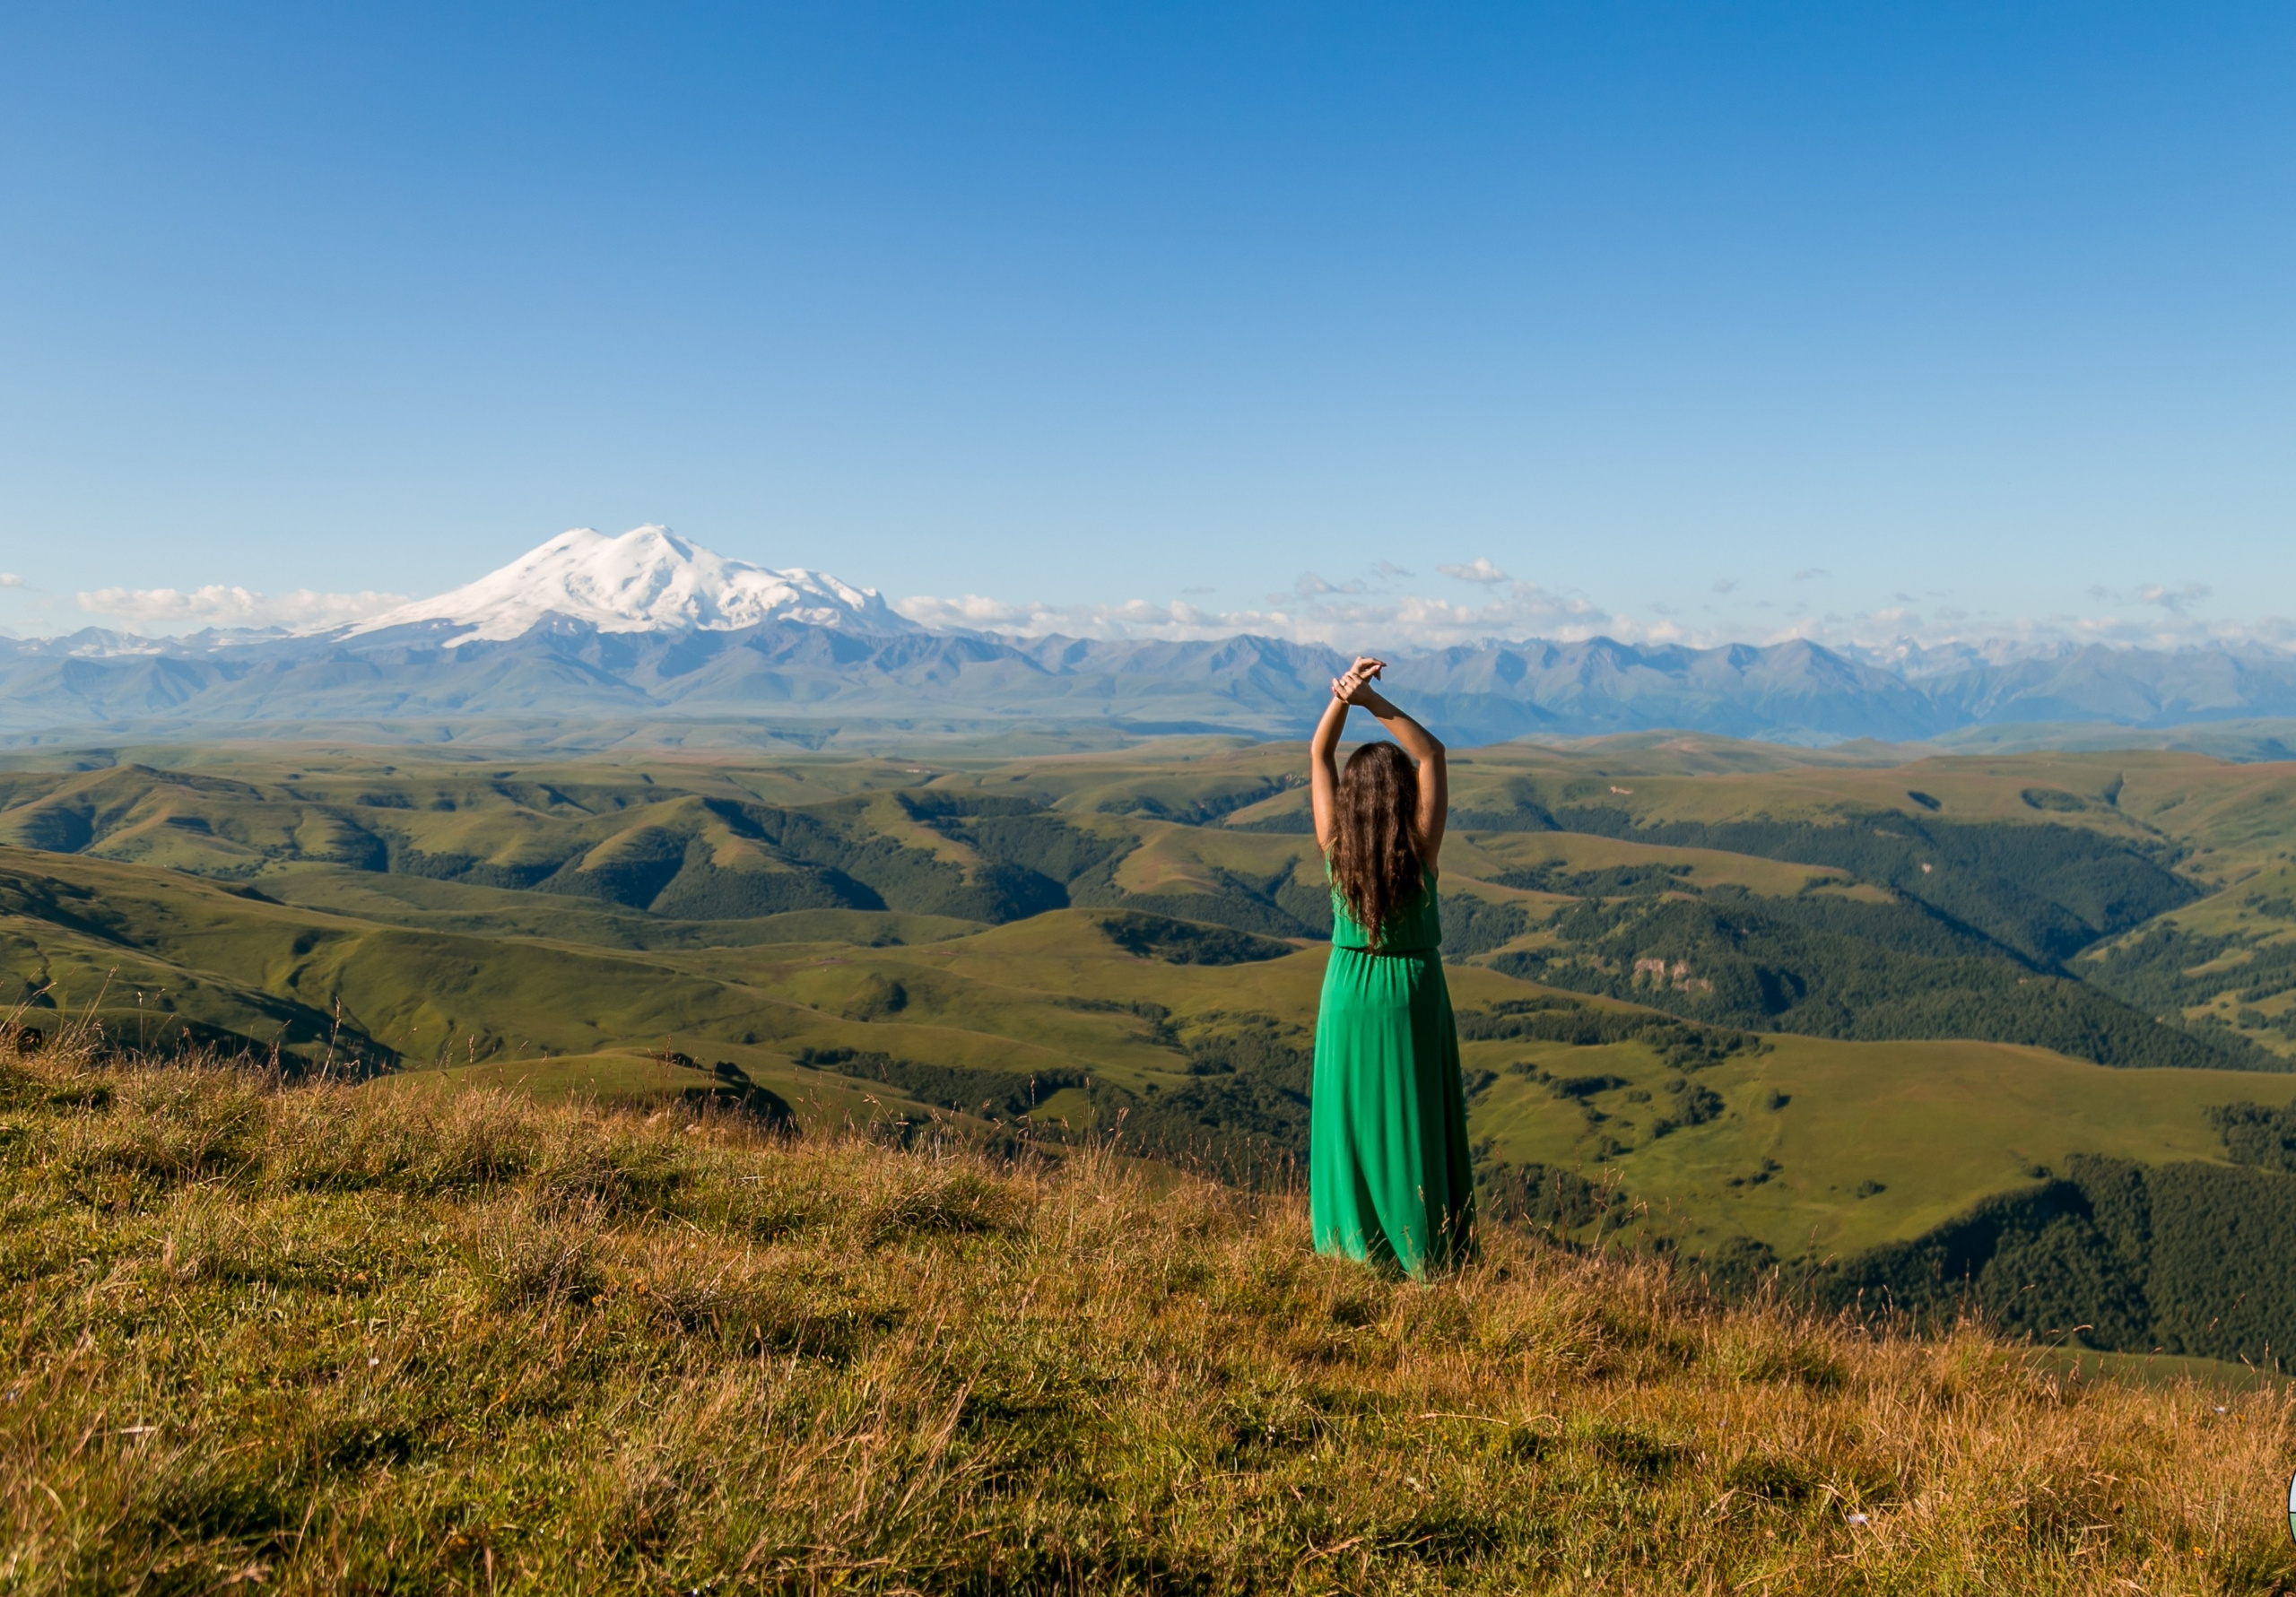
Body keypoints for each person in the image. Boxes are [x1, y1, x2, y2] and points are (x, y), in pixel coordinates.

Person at [1307, 655, 1475, 1278]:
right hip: (1411, 987)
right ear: (1403, 794)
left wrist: (1341, 700)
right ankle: (1424, 1255)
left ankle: (1349, 1250)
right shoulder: (1421, 847)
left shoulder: (1335, 848)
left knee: (1348, 1122)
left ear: (1351, 800)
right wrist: (1377, 704)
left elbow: (1319, 756)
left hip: (1348, 988)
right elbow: (1432, 754)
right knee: (1414, 1123)